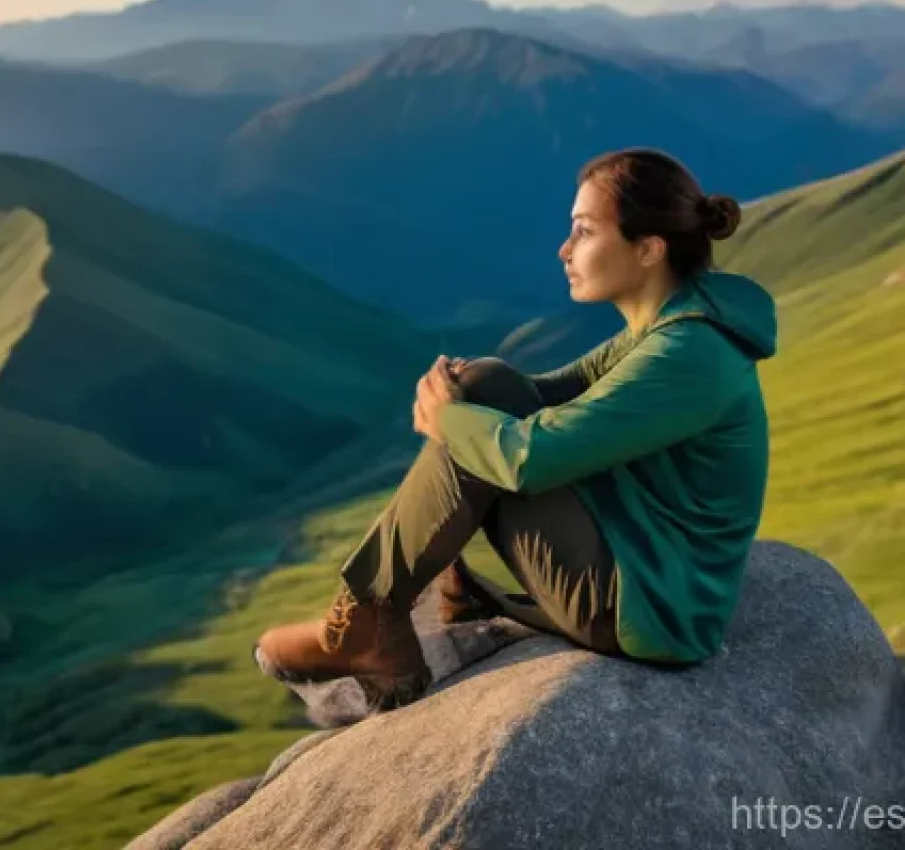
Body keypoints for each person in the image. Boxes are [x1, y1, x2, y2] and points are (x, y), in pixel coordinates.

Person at [254, 147, 778, 708]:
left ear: (649, 248)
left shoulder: (688, 353)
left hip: (647, 608)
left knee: (482, 419)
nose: (565, 249)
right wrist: (462, 392)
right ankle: (402, 607)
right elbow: (551, 392)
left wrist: (449, 417)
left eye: (584, 231)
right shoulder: (672, 324)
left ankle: (365, 624)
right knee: (486, 385)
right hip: (639, 559)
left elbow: (534, 458)